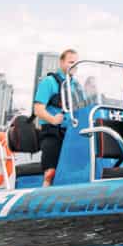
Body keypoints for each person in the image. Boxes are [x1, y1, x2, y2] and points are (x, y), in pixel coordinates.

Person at [31, 47, 80, 185]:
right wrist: (53, 119)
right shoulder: (49, 82)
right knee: (50, 172)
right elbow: (38, 110)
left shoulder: (76, 86)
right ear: (61, 63)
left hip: (72, 133)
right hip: (52, 133)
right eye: (71, 62)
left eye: (76, 63)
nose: (74, 66)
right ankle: (44, 190)